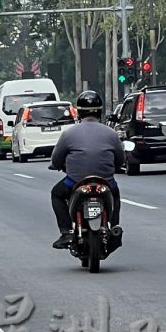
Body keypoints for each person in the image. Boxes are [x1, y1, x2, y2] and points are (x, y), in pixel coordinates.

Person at [49, 90, 125, 249]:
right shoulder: (111, 134)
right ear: (100, 111)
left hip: (75, 181)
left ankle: (66, 232)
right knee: (115, 195)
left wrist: (57, 166)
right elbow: (120, 160)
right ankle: (114, 228)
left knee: (56, 194)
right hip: (106, 181)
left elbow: (56, 160)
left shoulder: (69, 134)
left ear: (79, 112)